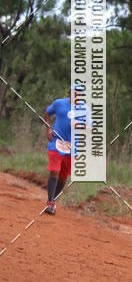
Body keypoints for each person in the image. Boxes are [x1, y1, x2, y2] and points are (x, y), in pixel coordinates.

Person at [43, 87, 74, 215]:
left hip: (71, 146)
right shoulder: (59, 103)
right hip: (56, 142)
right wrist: (49, 129)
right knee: (55, 170)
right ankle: (50, 202)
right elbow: (47, 113)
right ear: (69, 93)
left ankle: (53, 200)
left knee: (63, 176)